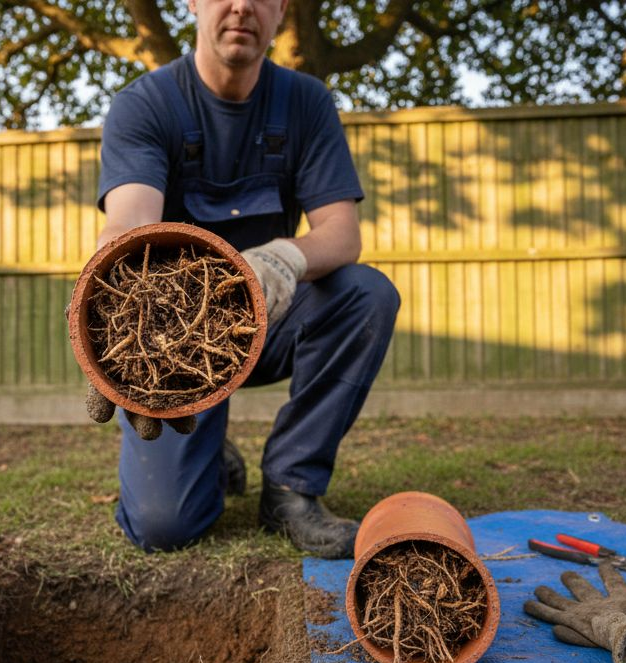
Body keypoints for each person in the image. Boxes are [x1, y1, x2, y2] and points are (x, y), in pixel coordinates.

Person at [87, 0, 399, 558]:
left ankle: (290, 489)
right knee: (164, 528)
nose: (241, 6)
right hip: (172, 346)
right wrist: (113, 325)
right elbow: (129, 223)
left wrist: (282, 259)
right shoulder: (146, 103)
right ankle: (208, 450)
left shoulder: (305, 102)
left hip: (266, 319)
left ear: (281, 10)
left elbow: (341, 232)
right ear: (192, 2)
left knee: (365, 294)